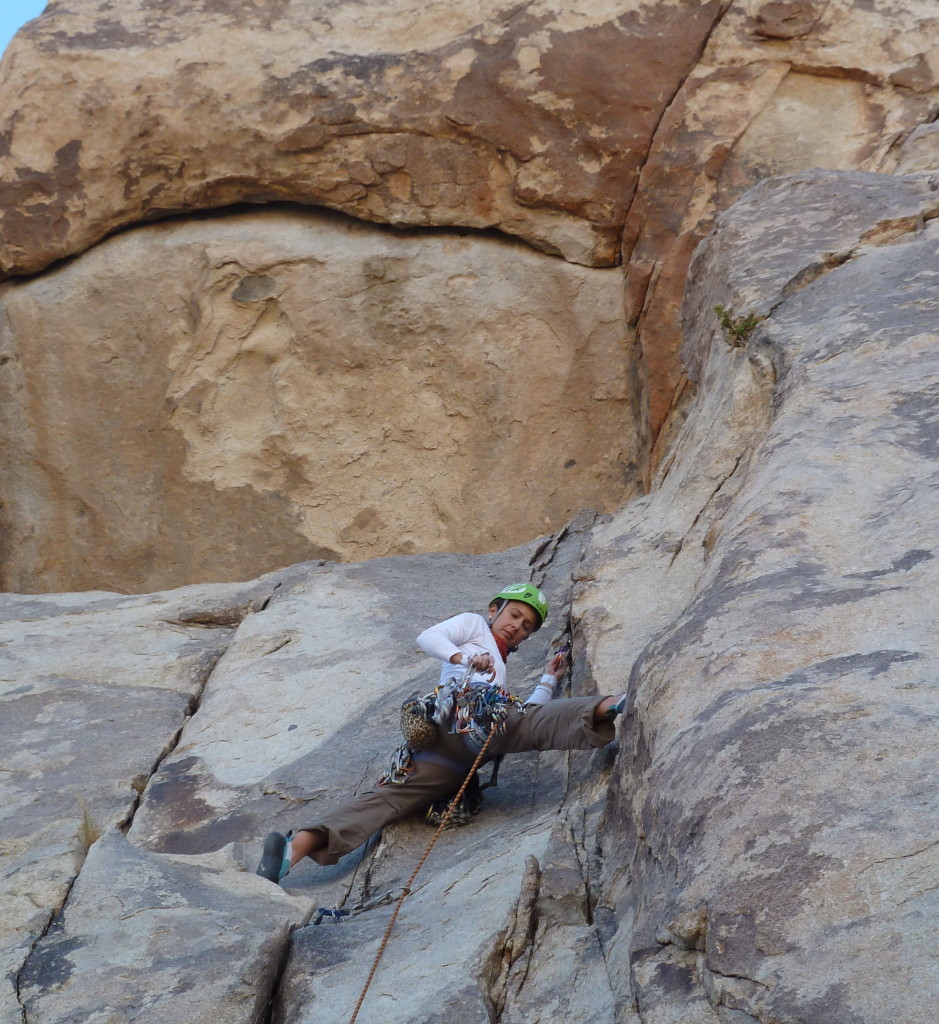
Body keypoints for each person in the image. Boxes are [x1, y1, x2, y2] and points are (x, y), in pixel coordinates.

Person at [256, 582, 625, 883]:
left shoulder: (499, 660)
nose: (517, 625)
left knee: (390, 799)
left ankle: (294, 850)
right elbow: (428, 637)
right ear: (494, 609)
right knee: (522, 722)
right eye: (514, 614)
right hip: (461, 715)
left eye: (527, 625)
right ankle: (611, 705)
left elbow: (528, 714)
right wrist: (464, 658)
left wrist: (549, 678)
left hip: (455, 756)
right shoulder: (473, 626)